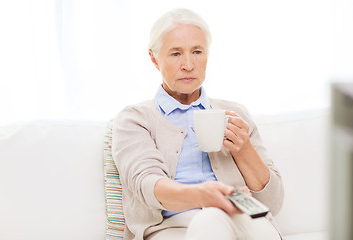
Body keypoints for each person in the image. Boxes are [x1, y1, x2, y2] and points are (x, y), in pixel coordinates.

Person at [112, 8, 284, 240]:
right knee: (211, 218)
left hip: (242, 218)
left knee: (225, 219)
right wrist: (203, 196)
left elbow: (272, 203)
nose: (189, 65)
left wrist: (244, 150)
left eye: (197, 51)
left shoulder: (235, 113)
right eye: (175, 54)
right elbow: (147, 185)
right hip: (170, 227)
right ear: (154, 59)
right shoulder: (135, 119)